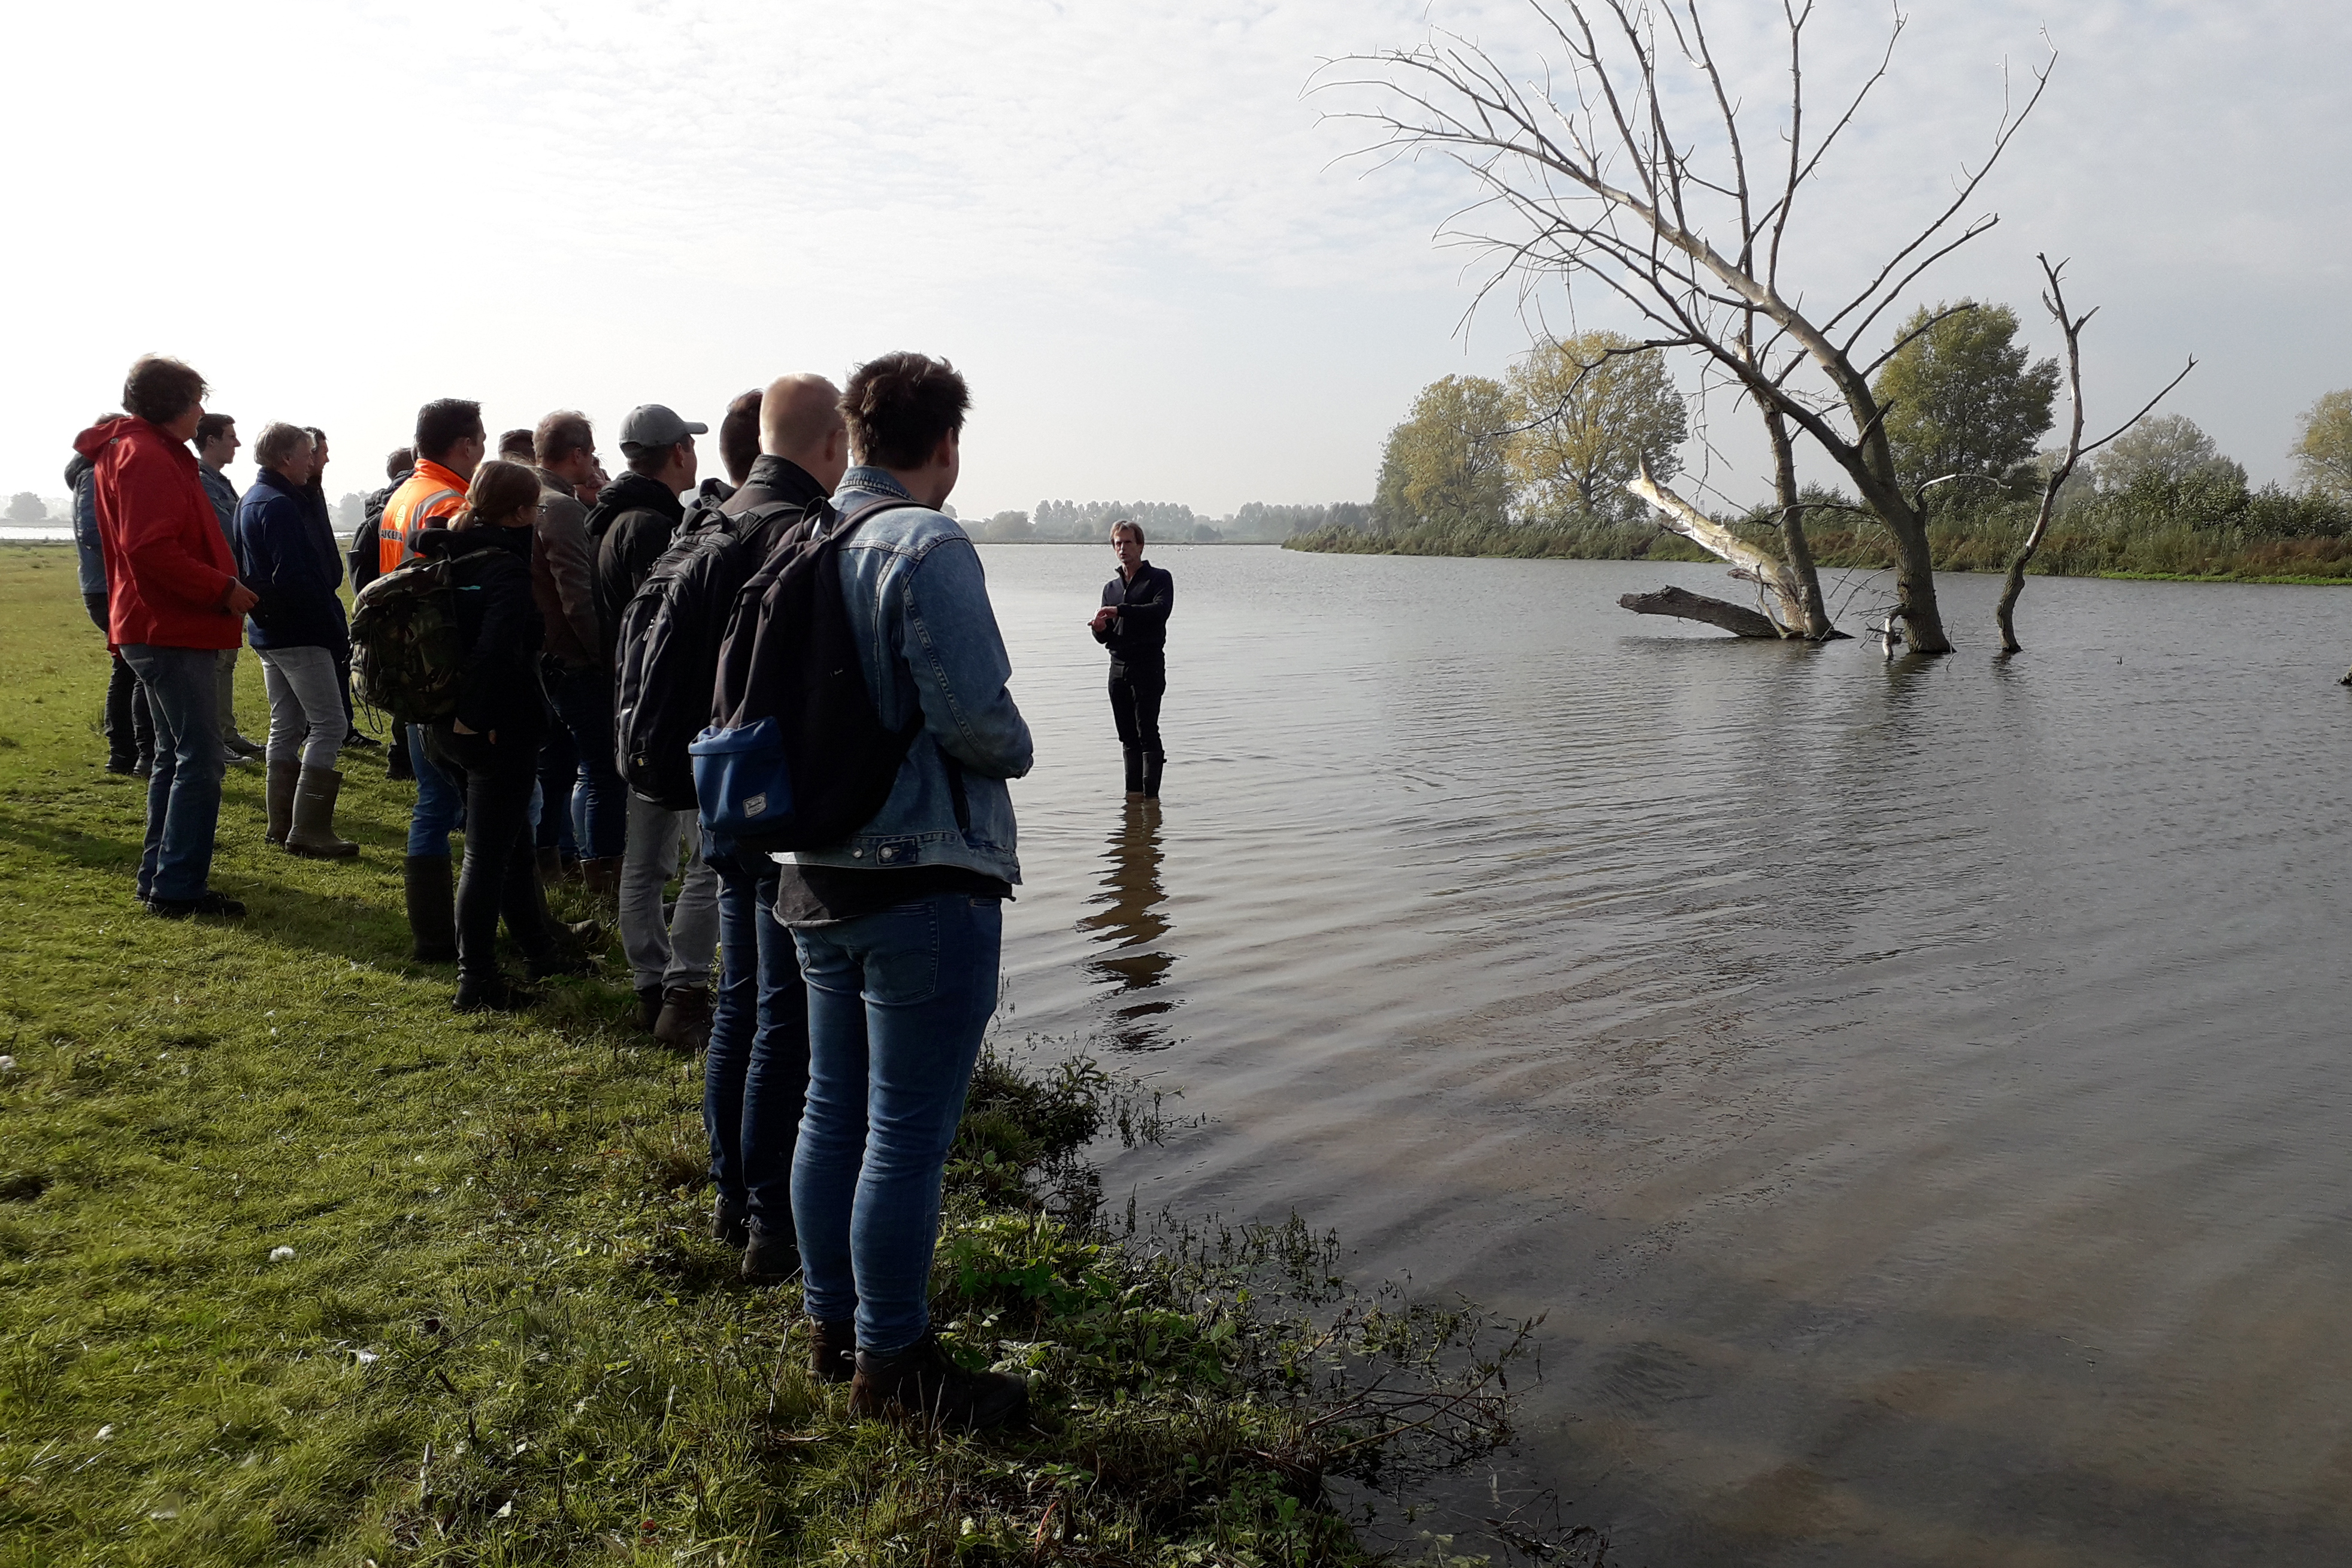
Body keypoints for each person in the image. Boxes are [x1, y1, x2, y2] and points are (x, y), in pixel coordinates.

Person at [780, 352, 1033, 1428]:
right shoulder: (925, 542)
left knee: (829, 1109)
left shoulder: (799, 535)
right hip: (921, 877)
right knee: (903, 1135)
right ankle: (892, 1365)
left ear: (854, 434)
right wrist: (1022, 745)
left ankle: (828, 1326)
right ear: (947, 444)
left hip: (809, 871)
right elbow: (978, 722)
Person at [703, 374, 839, 1283]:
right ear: (829, 444)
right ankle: (768, 1222)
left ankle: (730, 1193)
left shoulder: (709, 522)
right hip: (773, 802)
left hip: (716, 785)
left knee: (738, 1004)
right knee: (782, 1023)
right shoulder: (797, 531)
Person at [75, 356, 258, 919]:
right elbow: (150, 547)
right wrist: (222, 588)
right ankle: (178, 888)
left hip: (158, 624)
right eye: (197, 401)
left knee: (173, 757)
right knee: (200, 760)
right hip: (170, 626)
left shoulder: (136, 449)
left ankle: (160, 877)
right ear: (175, 404)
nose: (202, 412)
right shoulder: (146, 454)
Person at [414, 461, 586, 1010]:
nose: (538, 518)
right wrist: (476, 718)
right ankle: (477, 980)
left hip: (440, 723)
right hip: (492, 728)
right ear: (516, 513)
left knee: (512, 846)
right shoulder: (504, 568)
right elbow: (496, 649)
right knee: (486, 856)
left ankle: (538, 949)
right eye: (534, 508)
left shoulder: (445, 551)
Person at [592, 402, 719, 1045]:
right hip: (669, 717)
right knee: (705, 861)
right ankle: (679, 989)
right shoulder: (653, 527)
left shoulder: (613, 519)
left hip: (631, 710)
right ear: (677, 452)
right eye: (689, 446)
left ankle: (651, 985)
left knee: (644, 862)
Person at [383, 399, 486, 961]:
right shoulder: (449, 502)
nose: (484, 452)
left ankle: (432, 936)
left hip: (410, 669)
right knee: (483, 805)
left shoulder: (404, 494)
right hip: (444, 670)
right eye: (481, 442)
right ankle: (485, 927)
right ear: (465, 445)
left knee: (432, 800)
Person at [234, 423, 356, 858]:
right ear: (286, 458)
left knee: (285, 725)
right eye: (307, 455)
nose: (313, 463)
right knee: (330, 725)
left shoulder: (251, 499)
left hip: (269, 631)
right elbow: (295, 577)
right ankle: (308, 829)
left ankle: (281, 824)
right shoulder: (281, 505)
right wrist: (331, 628)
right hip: (301, 632)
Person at [529, 411, 625, 897]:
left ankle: (551, 861)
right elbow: (577, 596)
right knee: (604, 770)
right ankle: (604, 877)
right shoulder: (562, 507)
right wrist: (604, 656)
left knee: (558, 766)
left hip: (544, 658)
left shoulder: (532, 497)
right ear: (578, 454)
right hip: (573, 660)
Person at [69, 432, 153, 774]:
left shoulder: (94, 475)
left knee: (129, 666)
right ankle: (137, 751)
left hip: (107, 585)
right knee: (138, 665)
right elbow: (92, 531)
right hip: (109, 586)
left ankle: (125, 753)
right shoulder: (95, 476)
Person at [195, 413, 264, 765]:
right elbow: (225, 531)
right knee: (215, 666)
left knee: (225, 664)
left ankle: (226, 735)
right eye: (230, 436)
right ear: (211, 441)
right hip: (219, 585)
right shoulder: (202, 481)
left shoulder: (218, 481)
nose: (237, 443)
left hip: (231, 584)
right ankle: (215, 742)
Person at [1088, 520, 1174, 800]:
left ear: (1140, 545)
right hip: (1118, 668)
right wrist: (1100, 629)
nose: (1123, 548)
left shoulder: (1159, 579)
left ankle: (1152, 799)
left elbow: (1159, 611)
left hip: (1148, 666)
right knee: (1127, 736)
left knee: (1147, 731)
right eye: (1118, 543)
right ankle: (1133, 801)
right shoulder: (1110, 588)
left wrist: (1121, 610)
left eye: (1128, 542)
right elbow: (1107, 637)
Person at [303, 426, 374, 755]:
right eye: (323, 452)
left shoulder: (312, 490)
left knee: (340, 660)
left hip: (325, 592)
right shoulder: (298, 495)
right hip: (315, 596)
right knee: (328, 664)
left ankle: (343, 727)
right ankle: (333, 728)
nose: (327, 459)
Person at [352, 447, 416, 779]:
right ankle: (405, 759)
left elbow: (359, 574)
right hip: (411, 613)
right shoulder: (412, 506)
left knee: (398, 686)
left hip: (380, 614)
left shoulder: (374, 517)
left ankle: (401, 758)